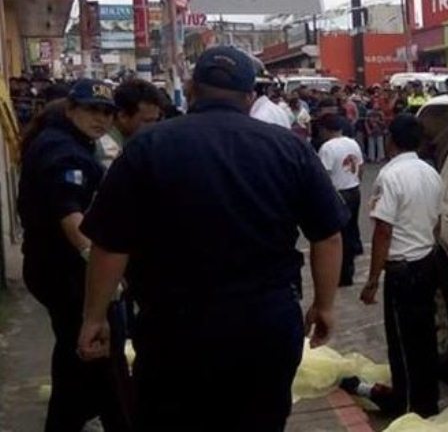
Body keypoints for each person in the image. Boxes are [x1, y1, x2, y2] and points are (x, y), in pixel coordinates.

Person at [76, 47, 346, 432]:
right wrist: (324, 305)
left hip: (174, 329)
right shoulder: (289, 148)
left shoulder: (147, 147)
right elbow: (328, 236)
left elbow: (110, 244)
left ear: (191, 88)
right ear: (250, 96)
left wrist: (94, 317)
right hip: (264, 325)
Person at [18, 80, 131, 432]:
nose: (100, 119)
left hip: (54, 269)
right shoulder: (63, 153)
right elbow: (72, 218)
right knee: (99, 352)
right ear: (71, 109)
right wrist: (103, 272)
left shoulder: (66, 142)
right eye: (91, 110)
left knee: (80, 358)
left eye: (106, 112)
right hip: (67, 272)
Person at [360, 115, 443, 417]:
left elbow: (384, 231)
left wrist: (371, 281)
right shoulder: (430, 172)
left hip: (403, 270)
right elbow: (438, 222)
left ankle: (409, 406)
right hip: (427, 261)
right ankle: (428, 398)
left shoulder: (390, 176)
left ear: (391, 141)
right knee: (425, 337)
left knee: (403, 343)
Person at [318, 115, 364, 286]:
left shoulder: (327, 148)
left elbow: (323, 175)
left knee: (338, 236)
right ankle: (349, 269)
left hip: (338, 193)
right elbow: (361, 165)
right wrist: (356, 181)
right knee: (351, 231)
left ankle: (342, 275)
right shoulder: (353, 143)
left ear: (326, 129)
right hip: (353, 190)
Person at [98, 78, 163, 169]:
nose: (154, 126)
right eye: (147, 121)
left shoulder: (129, 142)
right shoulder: (109, 149)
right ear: (123, 116)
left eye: (156, 120)